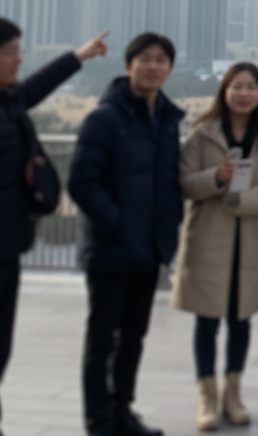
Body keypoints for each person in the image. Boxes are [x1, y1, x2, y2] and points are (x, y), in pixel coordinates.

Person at [68, 33, 184, 436]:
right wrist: (116, 223)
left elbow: (170, 182)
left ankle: (122, 413)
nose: (153, 66)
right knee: (102, 341)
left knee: (133, 338)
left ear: (169, 68)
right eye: (144, 59)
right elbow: (82, 182)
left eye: (161, 60)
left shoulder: (167, 119)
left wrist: (167, 226)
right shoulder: (104, 119)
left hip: (149, 249)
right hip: (110, 250)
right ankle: (99, 422)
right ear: (127, 66)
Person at [0, 17, 108, 435]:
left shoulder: (8, 100)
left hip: (9, 246)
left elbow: (36, 86)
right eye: (11, 51)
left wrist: (78, 57)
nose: (19, 59)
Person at [172, 62, 258, 430]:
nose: (243, 93)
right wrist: (217, 178)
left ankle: (232, 394)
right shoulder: (201, 132)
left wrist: (240, 201)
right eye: (237, 86)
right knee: (206, 323)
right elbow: (186, 183)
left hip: (249, 239)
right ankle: (207, 398)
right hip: (208, 239)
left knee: (241, 321)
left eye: (251, 87)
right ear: (224, 91)